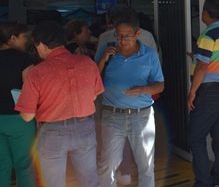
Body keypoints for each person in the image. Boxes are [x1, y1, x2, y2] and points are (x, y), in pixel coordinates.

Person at [15, 21, 104, 187]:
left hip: (52, 133)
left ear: (42, 44)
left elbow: (27, 116)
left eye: (36, 46)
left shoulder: (37, 72)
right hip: (85, 127)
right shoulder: (87, 63)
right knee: (91, 181)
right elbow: (93, 97)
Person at [96, 11, 165, 187]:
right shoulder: (107, 51)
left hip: (141, 116)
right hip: (112, 116)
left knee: (146, 165)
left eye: (127, 36)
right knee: (107, 164)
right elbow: (92, 80)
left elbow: (160, 85)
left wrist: (144, 89)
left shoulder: (149, 54)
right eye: (119, 35)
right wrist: (102, 60)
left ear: (137, 34)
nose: (123, 40)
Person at [186, 0, 219, 187]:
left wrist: (192, 92)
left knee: (195, 138)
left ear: (205, 14)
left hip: (209, 94)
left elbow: (202, 67)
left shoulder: (207, 35)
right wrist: (196, 57)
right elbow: (215, 58)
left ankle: (203, 182)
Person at [0, 21, 35, 187]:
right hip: (19, 119)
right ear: (12, 38)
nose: (26, 40)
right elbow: (30, 90)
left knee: (2, 164)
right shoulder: (23, 58)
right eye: (23, 36)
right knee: (24, 165)